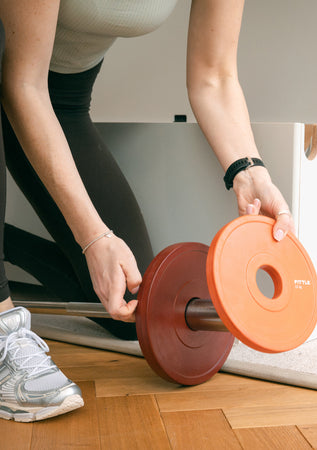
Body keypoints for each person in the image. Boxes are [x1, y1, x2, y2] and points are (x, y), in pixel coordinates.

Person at [0, 0, 295, 421]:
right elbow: (21, 83)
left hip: (60, 98)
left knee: (135, 307)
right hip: (18, 80)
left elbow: (215, 76)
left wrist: (249, 172)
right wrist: (94, 236)